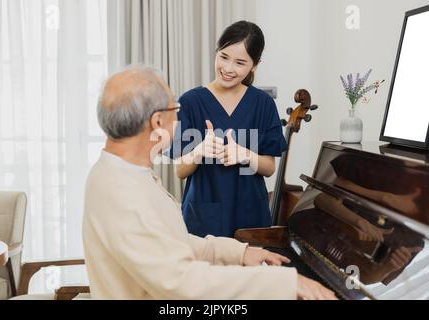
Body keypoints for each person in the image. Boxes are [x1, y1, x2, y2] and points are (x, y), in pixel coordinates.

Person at [82, 65, 336, 300]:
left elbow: (171, 242)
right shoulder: (122, 192)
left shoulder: (124, 173)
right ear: (158, 122)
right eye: (175, 109)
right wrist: (284, 283)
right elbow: (182, 282)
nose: (179, 117)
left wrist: (239, 253)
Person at [170, 21, 286, 238]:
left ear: (255, 64)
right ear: (217, 51)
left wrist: (245, 155)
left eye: (240, 62)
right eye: (224, 57)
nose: (229, 69)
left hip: (250, 214)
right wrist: (198, 151)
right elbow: (179, 171)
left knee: (250, 270)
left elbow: (269, 167)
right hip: (203, 216)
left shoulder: (263, 104)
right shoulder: (190, 102)